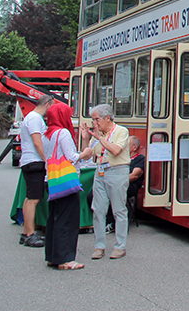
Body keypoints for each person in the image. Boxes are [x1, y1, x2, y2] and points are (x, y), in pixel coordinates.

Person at [78, 104, 130, 260]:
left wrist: (99, 137)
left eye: (97, 119)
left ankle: (120, 246)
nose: (95, 123)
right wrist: (86, 139)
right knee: (98, 209)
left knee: (118, 210)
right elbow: (86, 155)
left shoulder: (121, 131)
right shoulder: (97, 135)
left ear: (108, 118)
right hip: (100, 172)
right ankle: (99, 246)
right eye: (93, 119)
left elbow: (115, 150)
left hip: (117, 171)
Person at [43, 103, 84, 270]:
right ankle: (66, 258)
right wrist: (85, 153)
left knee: (54, 218)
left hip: (51, 179)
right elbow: (71, 157)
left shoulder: (47, 134)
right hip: (65, 181)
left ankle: (53, 256)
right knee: (67, 220)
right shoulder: (63, 133)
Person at [18, 94, 54, 247]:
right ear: (47, 104)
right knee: (34, 199)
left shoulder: (32, 118)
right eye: (52, 106)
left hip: (30, 160)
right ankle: (30, 234)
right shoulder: (35, 119)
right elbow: (37, 142)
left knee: (30, 197)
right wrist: (47, 161)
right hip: (34, 161)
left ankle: (27, 231)